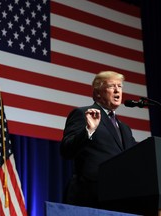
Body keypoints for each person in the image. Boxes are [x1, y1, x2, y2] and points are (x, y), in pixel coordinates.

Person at [60, 71, 137, 208]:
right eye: (111, 86)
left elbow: (135, 155)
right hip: (89, 197)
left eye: (119, 86)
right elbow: (66, 150)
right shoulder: (83, 114)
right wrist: (88, 131)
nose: (117, 90)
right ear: (97, 93)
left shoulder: (125, 129)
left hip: (120, 198)